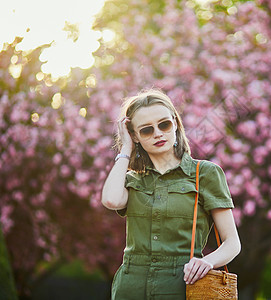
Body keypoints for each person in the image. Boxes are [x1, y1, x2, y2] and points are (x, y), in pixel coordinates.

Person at [101, 88, 241, 300]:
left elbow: (232, 242)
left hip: (183, 284)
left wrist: (208, 261)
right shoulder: (132, 179)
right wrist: (125, 150)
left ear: (175, 123)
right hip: (131, 286)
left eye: (164, 124)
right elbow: (111, 200)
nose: (158, 133)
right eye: (146, 130)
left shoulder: (204, 173)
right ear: (135, 136)